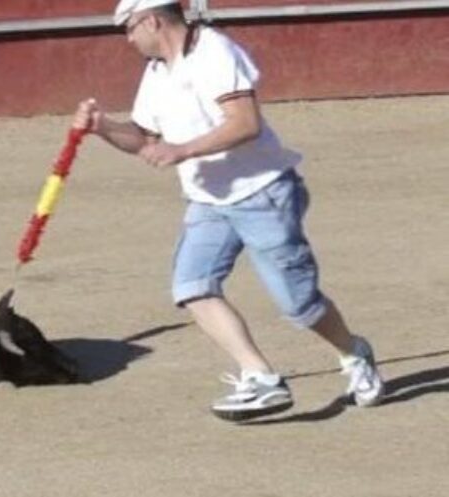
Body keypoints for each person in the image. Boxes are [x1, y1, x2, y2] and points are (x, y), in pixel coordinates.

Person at [73, 0, 384, 421]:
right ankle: (260, 377)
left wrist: (182, 149)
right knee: (192, 286)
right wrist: (104, 127)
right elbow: (145, 137)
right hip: (208, 200)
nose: (127, 38)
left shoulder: (215, 52)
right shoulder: (157, 71)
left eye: (129, 28)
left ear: (151, 20)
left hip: (263, 194)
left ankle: (353, 352)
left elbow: (244, 122)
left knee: (299, 305)